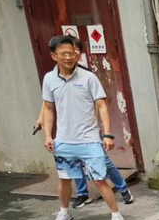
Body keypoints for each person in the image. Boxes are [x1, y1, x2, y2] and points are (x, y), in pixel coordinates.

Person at [34, 37, 133, 209]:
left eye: (74, 52)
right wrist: (41, 121)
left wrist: (106, 133)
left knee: (104, 165)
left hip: (89, 132)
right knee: (71, 169)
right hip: (67, 137)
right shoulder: (51, 78)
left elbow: (101, 104)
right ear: (54, 56)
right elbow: (47, 104)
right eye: (65, 53)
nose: (70, 57)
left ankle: (123, 189)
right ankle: (82, 194)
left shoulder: (87, 76)